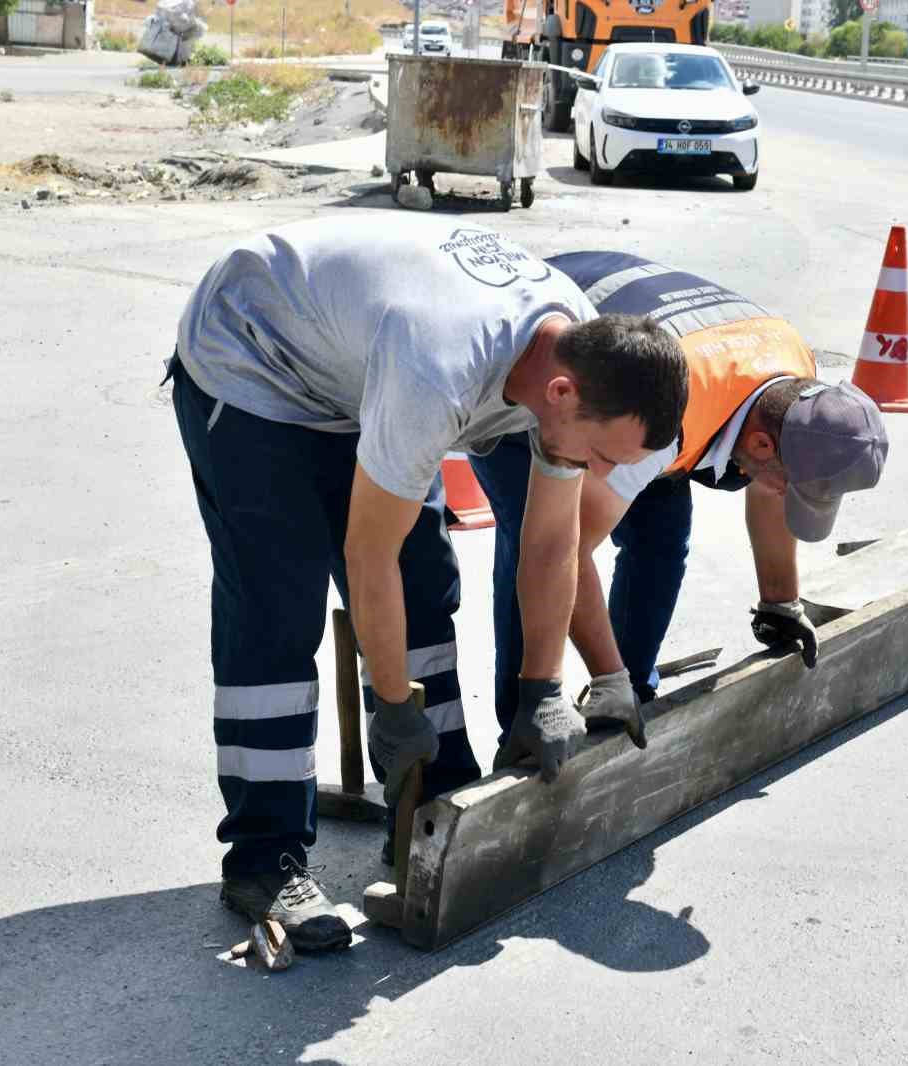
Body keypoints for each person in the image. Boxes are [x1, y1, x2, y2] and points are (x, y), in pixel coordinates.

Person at [169, 221, 688, 952]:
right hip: (254, 355)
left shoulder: (574, 351)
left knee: (424, 585)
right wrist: (389, 705)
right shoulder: (438, 364)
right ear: (562, 392)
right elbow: (366, 555)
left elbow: (548, 544)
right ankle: (265, 858)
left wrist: (543, 690)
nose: (601, 475)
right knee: (275, 613)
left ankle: (433, 807)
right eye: (601, 455)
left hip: (352, 367)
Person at [468, 251, 889, 741]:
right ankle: (523, 728)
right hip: (535, 369)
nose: (779, 491)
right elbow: (565, 549)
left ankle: (629, 695)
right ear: (758, 444)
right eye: (784, 483)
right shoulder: (676, 412)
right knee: (537, 541)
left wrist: (781, 602)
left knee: (662, 535)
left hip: (640, 365)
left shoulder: (797, 385)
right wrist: (606, 677)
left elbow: (773, 485)